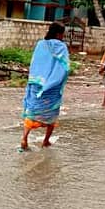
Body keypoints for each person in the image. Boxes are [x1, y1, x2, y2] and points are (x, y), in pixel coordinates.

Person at [21, 22, 70, 150]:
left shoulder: (40, 44)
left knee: (32, 111)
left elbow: (34, 62)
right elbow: (65, 67)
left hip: (36, 82)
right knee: (52, 113)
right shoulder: (61, 47)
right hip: (52, 86)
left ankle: (24, 138)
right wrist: (58, 79)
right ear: (59, 34)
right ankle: (46, 141)